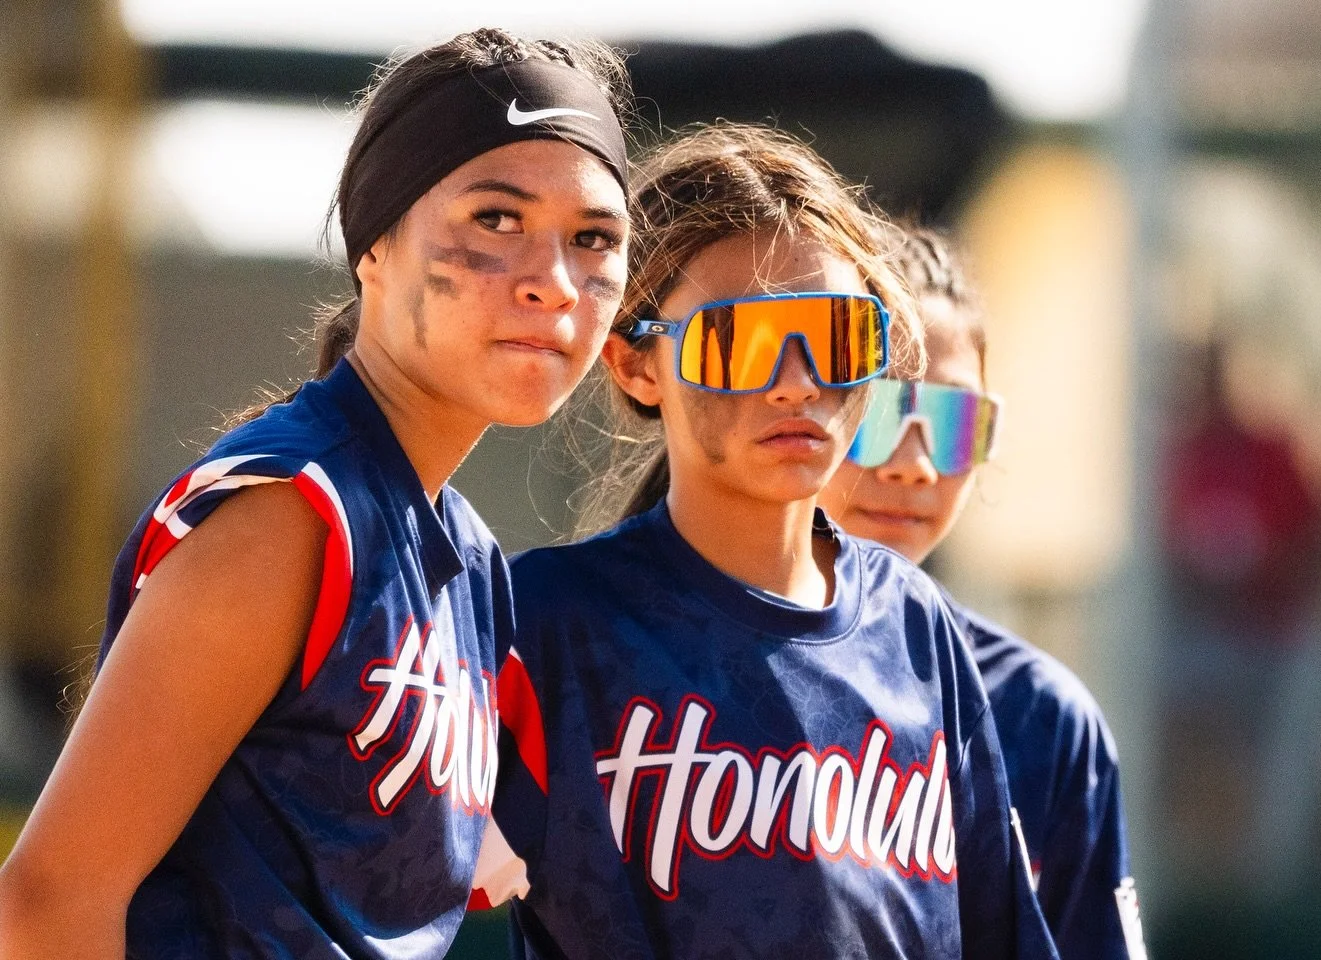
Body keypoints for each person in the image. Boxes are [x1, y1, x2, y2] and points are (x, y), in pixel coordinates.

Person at [0, 28, 632, 959]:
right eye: (497, 219)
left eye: (594, 239)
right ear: (375, 246)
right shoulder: (292, 514)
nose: (553, 282)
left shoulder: (466, 559)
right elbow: (48, 901)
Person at [472, 125, 1059, 960]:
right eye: (737, 341)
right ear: (636, 366)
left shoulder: (916, 627)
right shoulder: (546, 623)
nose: (798, 380)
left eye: (838, 337)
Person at [817, 228, 1147, 960]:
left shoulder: (1040, 716)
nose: (913, 464)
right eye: (874, 412)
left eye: (952, 422)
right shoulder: (648, 659)